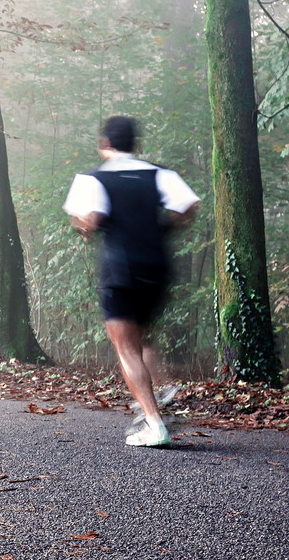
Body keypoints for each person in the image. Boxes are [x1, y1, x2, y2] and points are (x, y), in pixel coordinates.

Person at [63, 116, 200, 447]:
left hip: (120, 269)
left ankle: (154, 423)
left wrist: (81, 225)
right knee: (144, 337)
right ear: (136, 145)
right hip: (157, 267)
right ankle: (158, 392)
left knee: (125, 346)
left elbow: (91, 220)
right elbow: (188, 207)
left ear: (104, 145)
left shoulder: (92, 178)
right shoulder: (159, 173)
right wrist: (161, 229)